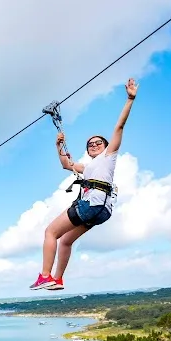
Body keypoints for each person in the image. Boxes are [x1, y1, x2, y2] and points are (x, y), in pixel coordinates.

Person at [29, 78, 138, 291]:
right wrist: (59, 145)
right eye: (90, 144)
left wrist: (130, 99)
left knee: (50, 232)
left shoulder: (108, 158)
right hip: (102, 211)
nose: (94, 145)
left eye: (99, 142)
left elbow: (119, 126)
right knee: (66, 241)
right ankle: (58, 279)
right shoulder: (87, 167)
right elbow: (65, 164)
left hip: (92, 205)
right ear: (87, 151)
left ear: (107, 147)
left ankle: (44, 276)